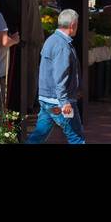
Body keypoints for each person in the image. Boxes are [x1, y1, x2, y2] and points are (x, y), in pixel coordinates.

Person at [27, 9, 85, 144]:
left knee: (38, 136)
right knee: (76, 137)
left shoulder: (51, 40)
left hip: (47, 98)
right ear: (73, 25)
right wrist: (64, 102)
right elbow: (60, 75)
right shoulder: (62, 45)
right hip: (58, 100)